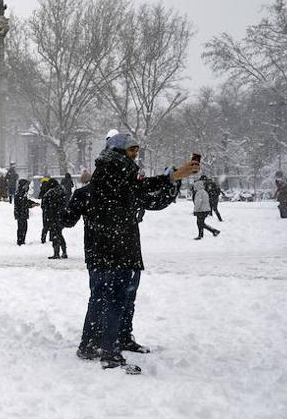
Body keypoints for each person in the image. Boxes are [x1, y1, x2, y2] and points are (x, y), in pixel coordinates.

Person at [64, 132, 196, 373]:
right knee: (117, 300)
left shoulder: (96, 186)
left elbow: (67, 219)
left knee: (100, 299)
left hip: (99, 254)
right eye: (132, 150)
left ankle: (92, 345)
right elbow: (147, 195)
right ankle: (111, 354)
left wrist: (171, 179)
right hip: (120, 251)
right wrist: (173, 177)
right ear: (118, 152)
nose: (136, 155)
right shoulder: (121, 178)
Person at [39, 176, 69, 259]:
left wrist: (48, 214)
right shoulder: (62, 191)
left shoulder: (49, 193)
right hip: (61, 216)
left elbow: (45, 206)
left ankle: (56, 253)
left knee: (56, 235)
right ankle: (64, 251)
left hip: (52, 217)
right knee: (59, 234)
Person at [13, 178, 37, 245]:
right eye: (26, 185)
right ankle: (20, 241)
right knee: (22, 228)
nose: (27, 187)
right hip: (20, 213)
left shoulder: (22, 192)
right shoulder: (20, 193)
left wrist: (33, 203)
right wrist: (31, 205)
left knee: (24, 227)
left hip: (22, 213)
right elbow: (23, 204)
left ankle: (22, 240)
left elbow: (25, 201)